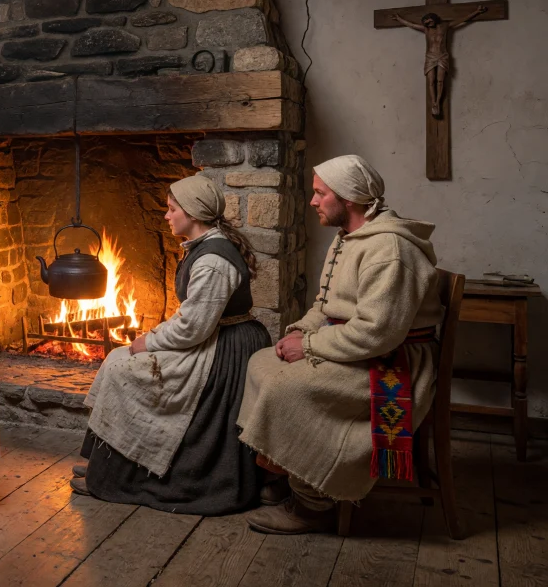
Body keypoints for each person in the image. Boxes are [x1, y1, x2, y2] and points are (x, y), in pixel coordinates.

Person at [240, 155, 443, 534]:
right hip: (359, 347)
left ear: (349, 199)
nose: (313, 201)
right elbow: (327, 305)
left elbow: (377, 333)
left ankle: (312, 504)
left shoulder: (390, 252)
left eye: (320, 193)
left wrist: (311, 346)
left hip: (393, 362)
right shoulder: (348, 238)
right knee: (261, 362)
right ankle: (289, 468)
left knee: (290, 387)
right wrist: (298, 332)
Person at [73, 175, 272, 515]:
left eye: (171, 209)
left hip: (224, 348)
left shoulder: (213, 260)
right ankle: (110, 467)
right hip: (214, 336)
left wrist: (147, 341)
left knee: (124, 367)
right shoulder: (204, 247)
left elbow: (193, 326)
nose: (166, 216)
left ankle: (124, 475)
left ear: (193, 214)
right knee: (117, 361)